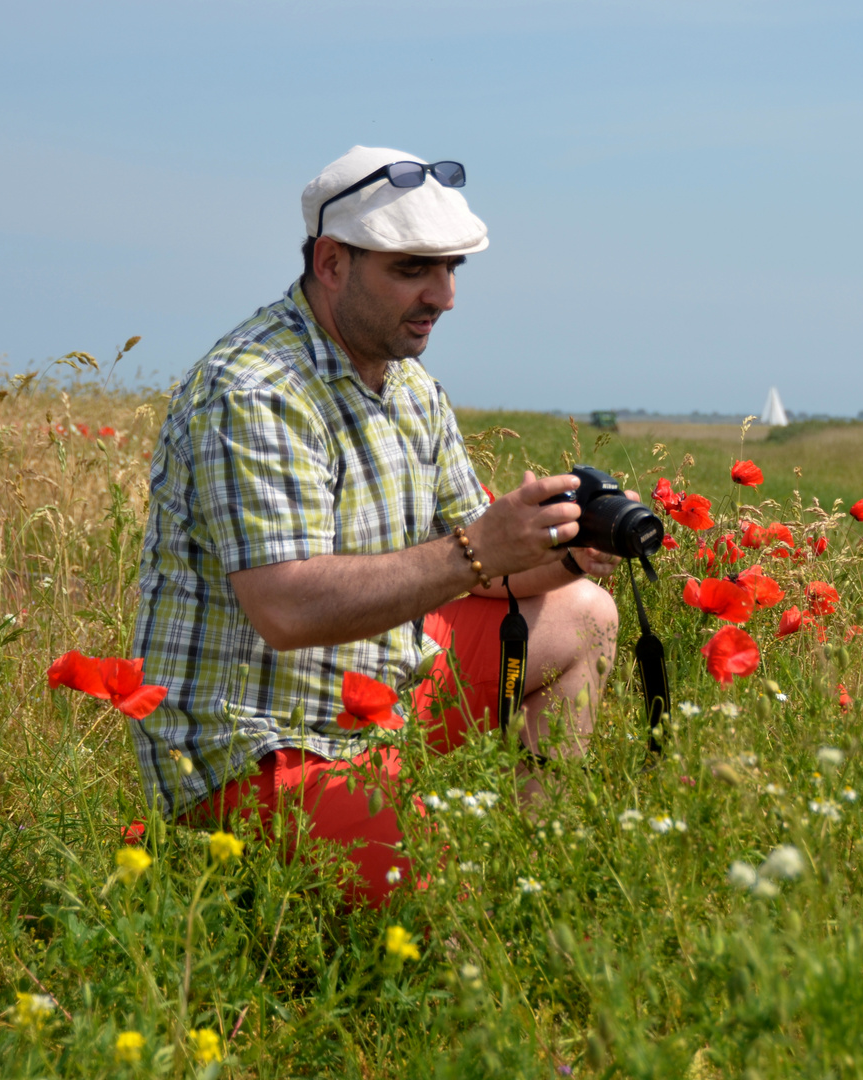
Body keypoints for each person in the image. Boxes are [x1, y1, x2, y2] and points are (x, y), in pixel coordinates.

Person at [131, 145, 625, 905]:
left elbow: (485, 570)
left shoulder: (410, 386)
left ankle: (534, 863)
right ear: (331, 262)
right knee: (458, 926)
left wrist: (564, 551)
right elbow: (286, 608)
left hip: (378, 697)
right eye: (412, 270)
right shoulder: (256, 392)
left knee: (583, 616)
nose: (445, 295)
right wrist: (477, 547)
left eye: (452, 267)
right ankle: (451, 891)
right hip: (260, 737)